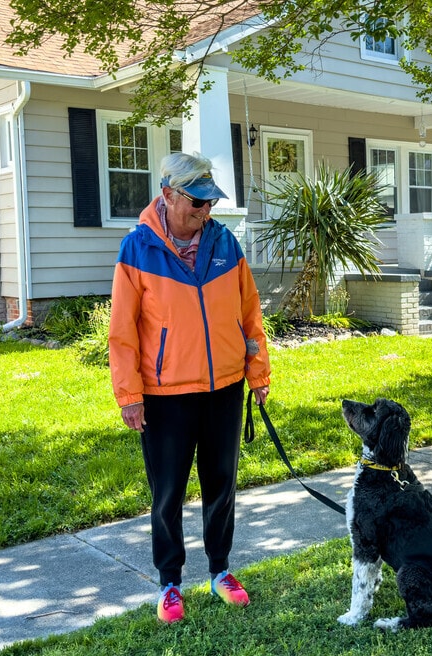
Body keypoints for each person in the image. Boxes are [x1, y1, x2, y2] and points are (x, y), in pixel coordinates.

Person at [108, 152, 271, 624]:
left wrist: (257, 375)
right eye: (197, 203)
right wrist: (129, 395)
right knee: (168, 493)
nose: (206, 212)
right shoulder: (137, 249)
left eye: (210, 202)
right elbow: (121, 332)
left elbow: (249, 317)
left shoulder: (226, 244)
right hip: (165, 395)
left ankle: (221, 570)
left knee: (221, 485)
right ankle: (170, 583)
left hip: (223, 387)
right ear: (169, 195)